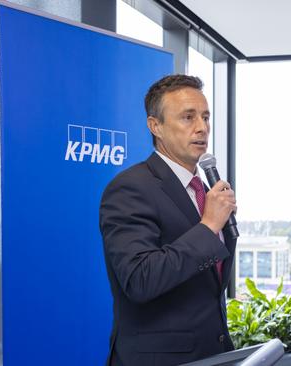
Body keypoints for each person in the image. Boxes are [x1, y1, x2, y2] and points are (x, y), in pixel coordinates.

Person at [99, 74, 237, 366]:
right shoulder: (130, 187)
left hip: (213, 355)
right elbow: (140, 279)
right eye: (188, 117)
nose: (202, 128)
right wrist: (208, 226)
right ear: (155, 126)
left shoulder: (204, 190)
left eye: (205, 117)